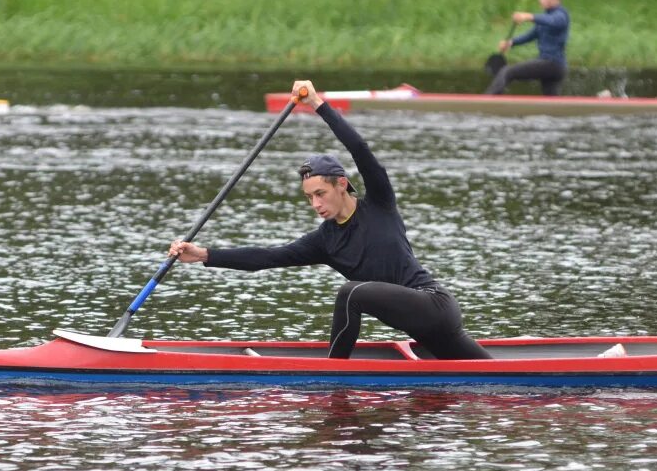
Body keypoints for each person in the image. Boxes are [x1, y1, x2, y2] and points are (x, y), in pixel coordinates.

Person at [168, 80, 491, 362]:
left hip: (433, 304)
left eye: (321, 193)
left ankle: (334, 371)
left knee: (350, 292)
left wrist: (317, 104)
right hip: (420, 328)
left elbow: (360, 148)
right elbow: (268, 257)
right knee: (492, 374)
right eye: (309, 197)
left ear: (341, 184)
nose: (316, 203)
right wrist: (205, 255)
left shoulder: (380, 204)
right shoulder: (325, 240)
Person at [485, 0, 569, 96]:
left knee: (507, 71)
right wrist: (511, 42)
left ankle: (487, 100)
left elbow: (553, 21)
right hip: (552, 67)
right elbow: (531, 35)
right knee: (551, 103)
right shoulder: (544, 18)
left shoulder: (561, 15)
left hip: (552, 64)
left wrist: (528, 16)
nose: (540, 0)